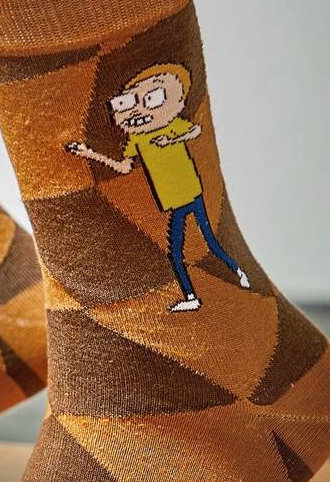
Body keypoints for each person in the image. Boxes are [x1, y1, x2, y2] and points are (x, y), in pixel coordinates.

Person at [67, 62, 249, 311]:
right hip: (173, 200)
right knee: (176, 253)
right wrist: (89, 153)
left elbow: (195, 130)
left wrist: (172, 139)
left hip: (191, 193)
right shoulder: (136, 139)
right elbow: (124, 167)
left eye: (152, 98)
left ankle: (238, 273)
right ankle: (191, 297)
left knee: (210, 243)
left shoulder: (172, 125)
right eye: (125, 103)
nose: (137, 110)